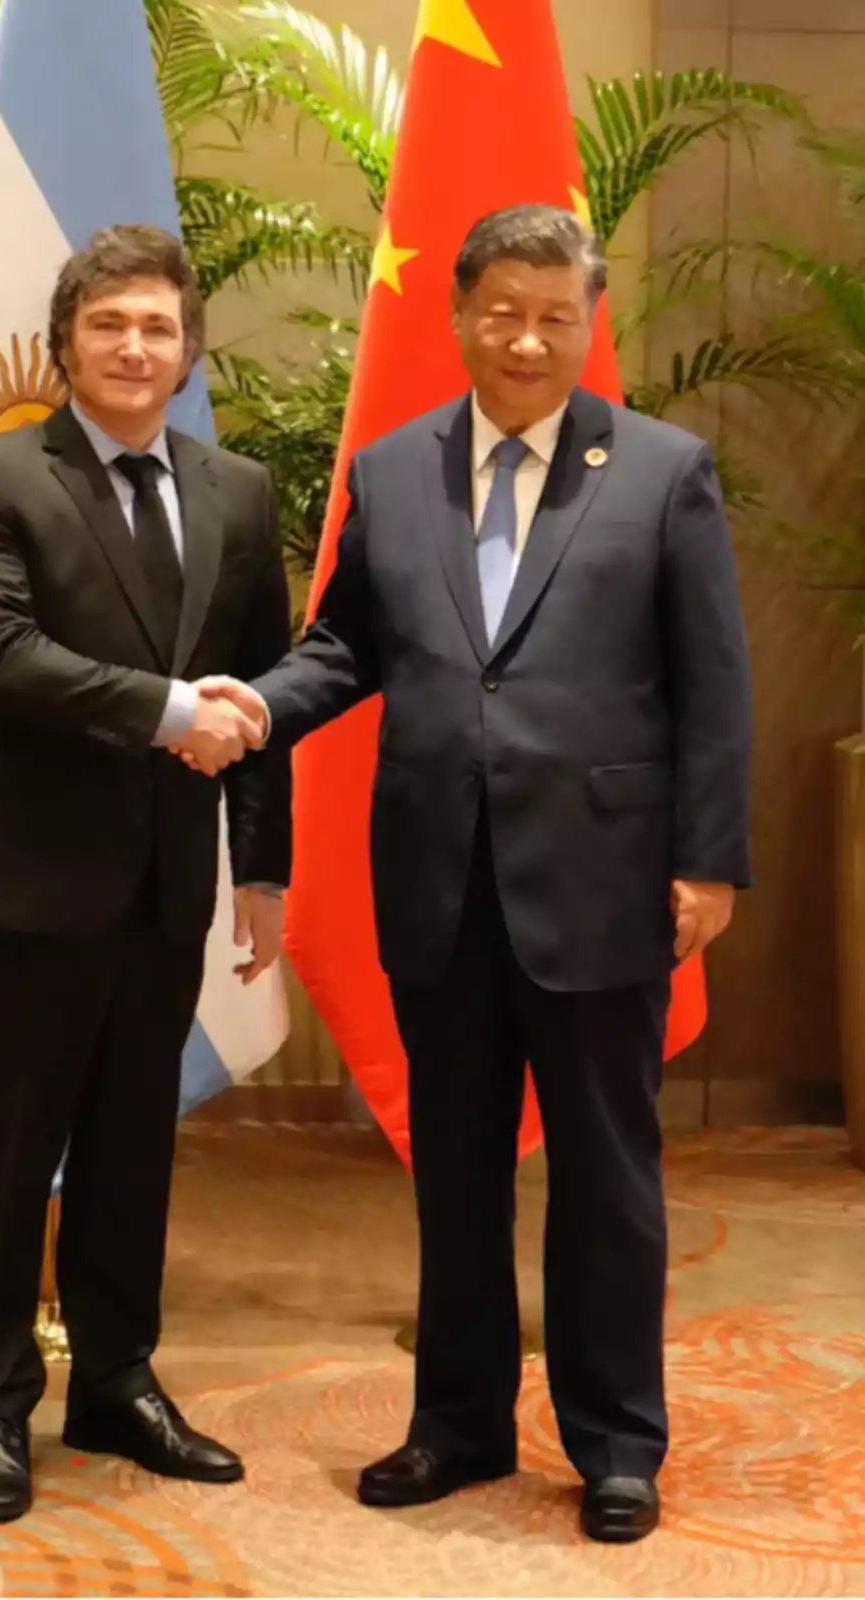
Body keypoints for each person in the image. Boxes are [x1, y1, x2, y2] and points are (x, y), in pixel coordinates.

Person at [192, 204, 753, 1543]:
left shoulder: (663, 471)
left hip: (607, 880)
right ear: (458, 315)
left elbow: (714, 685)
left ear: (588, 322)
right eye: (504, 310)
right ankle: (456, 1423)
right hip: (440, 883)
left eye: (558, 316)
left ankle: (618, 1442)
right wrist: (259, 707)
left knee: (610, 1176)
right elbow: (345, 647)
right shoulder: (392, 476)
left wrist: (712, 864)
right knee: (455, 1167)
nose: (528, 339)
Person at [0, 224, 288, 1524]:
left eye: (158, 327)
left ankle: (119, 1383)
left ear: (189, 351)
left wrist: (265, 871)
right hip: (18, 888)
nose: (136, 347)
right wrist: (171, 713)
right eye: (109, 325)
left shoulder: (237, 492)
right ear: (68, 340)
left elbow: (262, 684)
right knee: (7, 1161)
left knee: (136, 1154)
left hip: (164, 891)